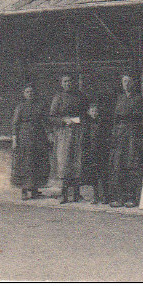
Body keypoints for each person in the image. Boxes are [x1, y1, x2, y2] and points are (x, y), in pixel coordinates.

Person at [108, 75, 143, 208]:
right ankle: (119, 198)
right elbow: (114, 119)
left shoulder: (138, 99)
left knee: (132, 165)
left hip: (133, 134)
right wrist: (114, 135)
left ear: (133, 83)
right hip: (120, 134)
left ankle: (131, 198)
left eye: (129, 81)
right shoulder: (119, 98)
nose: (126, 84)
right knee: (118, 165)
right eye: (124, 81)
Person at [49, 74, 86, 203]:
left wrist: (79, 120)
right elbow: (52, 117)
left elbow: (85, 113)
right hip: (63, 133)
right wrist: (63, 120)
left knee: (77, 160)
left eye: (69, 81)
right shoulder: (58, 98)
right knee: (64, 161)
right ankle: (64, 194)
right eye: (65, 81)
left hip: (77, 132)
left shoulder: (80, 96)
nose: (67, 84)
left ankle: (76, 194)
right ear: (61, 83)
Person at [11, 83, 50, 200]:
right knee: (25, 163)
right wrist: (14, 139)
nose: (30, 94)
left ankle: (34, 190)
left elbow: (45, 121)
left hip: (38, 137)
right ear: (24, 94)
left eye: (32, 92)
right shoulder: (20, 107)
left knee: (37, 162)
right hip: (24, 137)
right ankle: (24, 190)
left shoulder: (40, 106)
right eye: (27, 92)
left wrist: (48, 135)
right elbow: (15, 124)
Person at [82, 100, 111, 204]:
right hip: (91, 152)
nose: (94, 113)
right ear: (89, 112)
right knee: (93, 175)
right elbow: (85, 139)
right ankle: (95, 196)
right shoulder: (87, 124)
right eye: (92, 111)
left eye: (96, 111)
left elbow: (106, 138)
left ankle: (105, 197)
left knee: (103, 175)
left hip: (101, 152)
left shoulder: (102, 124)